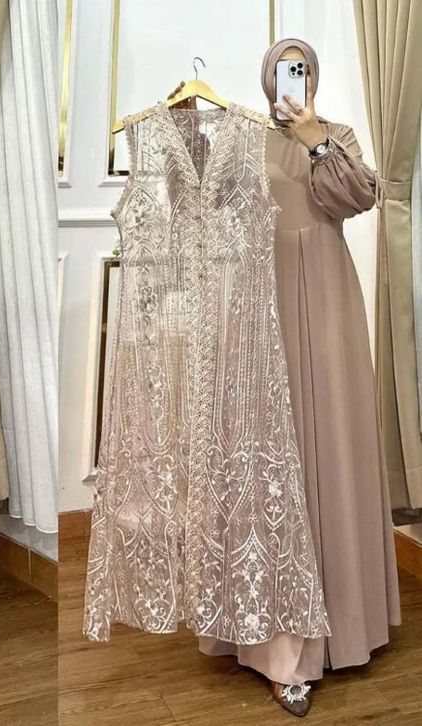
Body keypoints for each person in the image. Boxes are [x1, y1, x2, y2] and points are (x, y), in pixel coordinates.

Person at [197, 38, 401, 717]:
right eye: (286, 70)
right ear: (266, 78)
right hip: (260, 306)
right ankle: (275, 642)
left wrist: (314, 136)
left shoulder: (337, 136)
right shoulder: (240, 139)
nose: (296, 79)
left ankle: (342, 627)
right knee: (267, 456)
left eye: (304, 69)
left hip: (329, 302)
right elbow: (206, 216)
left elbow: (358, 196)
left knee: (332, 444)